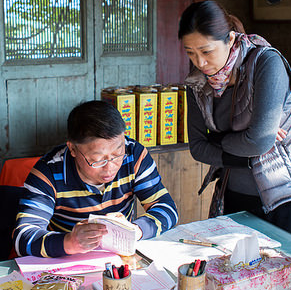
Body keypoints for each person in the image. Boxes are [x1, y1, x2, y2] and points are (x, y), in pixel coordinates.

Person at [178, 0, 291, 239]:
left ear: (230, 39)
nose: (200, 62)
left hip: (284, 194)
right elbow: (198, 148)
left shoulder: (265, 63)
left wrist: (219, 140)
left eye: (206, 51)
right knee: (236, 271)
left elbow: (258, 141)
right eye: (190, 53)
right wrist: (247, 145)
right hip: (234, 195)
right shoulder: (197, 83)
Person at [13, 100, 178, 258]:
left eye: (117, 154)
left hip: (120, 258)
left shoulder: (133, 155)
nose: (110, 166)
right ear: (73, 148)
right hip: (69, 261)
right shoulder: (48, 173)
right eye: (98, 159)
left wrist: (137, 230)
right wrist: (70, 242)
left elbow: (166, 208)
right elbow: (23, 238)